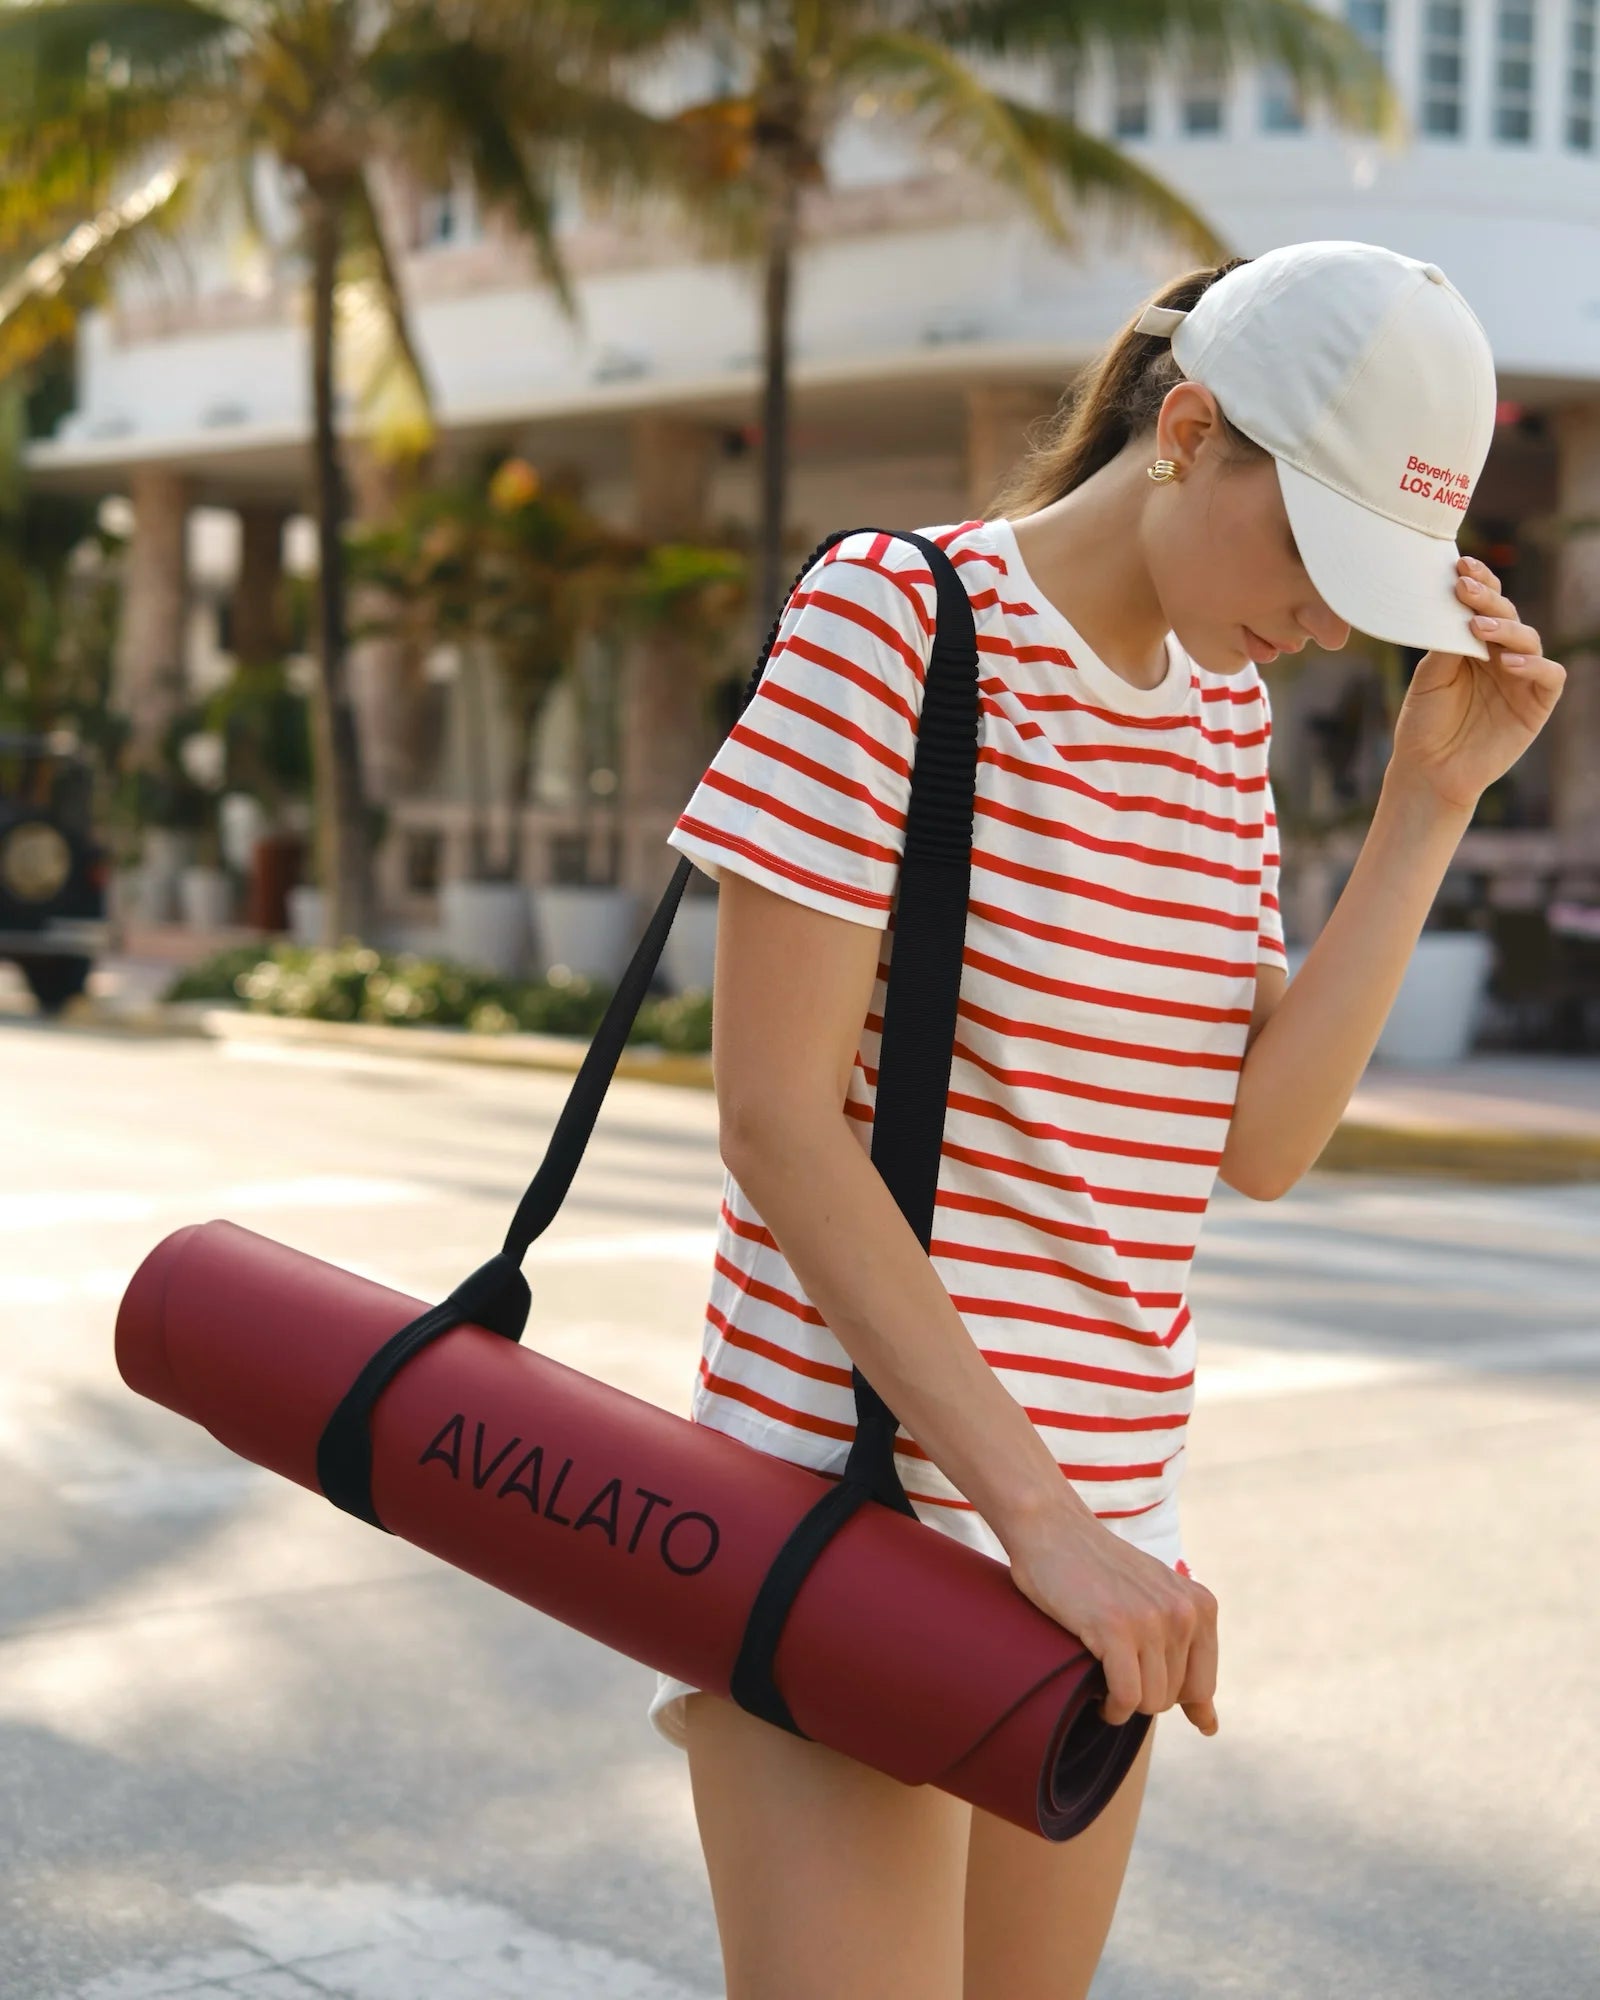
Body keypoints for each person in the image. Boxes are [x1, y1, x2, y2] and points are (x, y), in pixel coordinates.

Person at [649, 239, 1565, 2000]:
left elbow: (1259, 1143)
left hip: (1109, 1555)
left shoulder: (1220, 711)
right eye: (1310, 552)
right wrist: (1041, 1524)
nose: (1318, 625)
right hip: (862, 1518)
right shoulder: (896, 621)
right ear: (1189, 427)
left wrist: (1431, 807)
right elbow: (772, 1120)